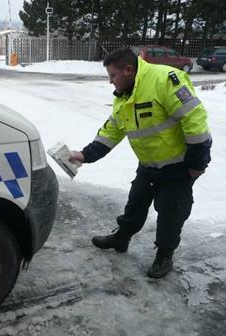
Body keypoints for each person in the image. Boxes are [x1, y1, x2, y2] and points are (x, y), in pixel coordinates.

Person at [70, 48, 212, 278]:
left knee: (171, 213)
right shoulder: (124, 95)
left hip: (178, 166)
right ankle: (121, 238)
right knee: (135, 204)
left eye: (113, 76)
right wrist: (85, 155)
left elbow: (194, 118)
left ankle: (164, 255)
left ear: (128, 70)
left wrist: (198, 162)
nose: (110, 81)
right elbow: (112, 130)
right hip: (148, 165)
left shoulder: (164, 79)